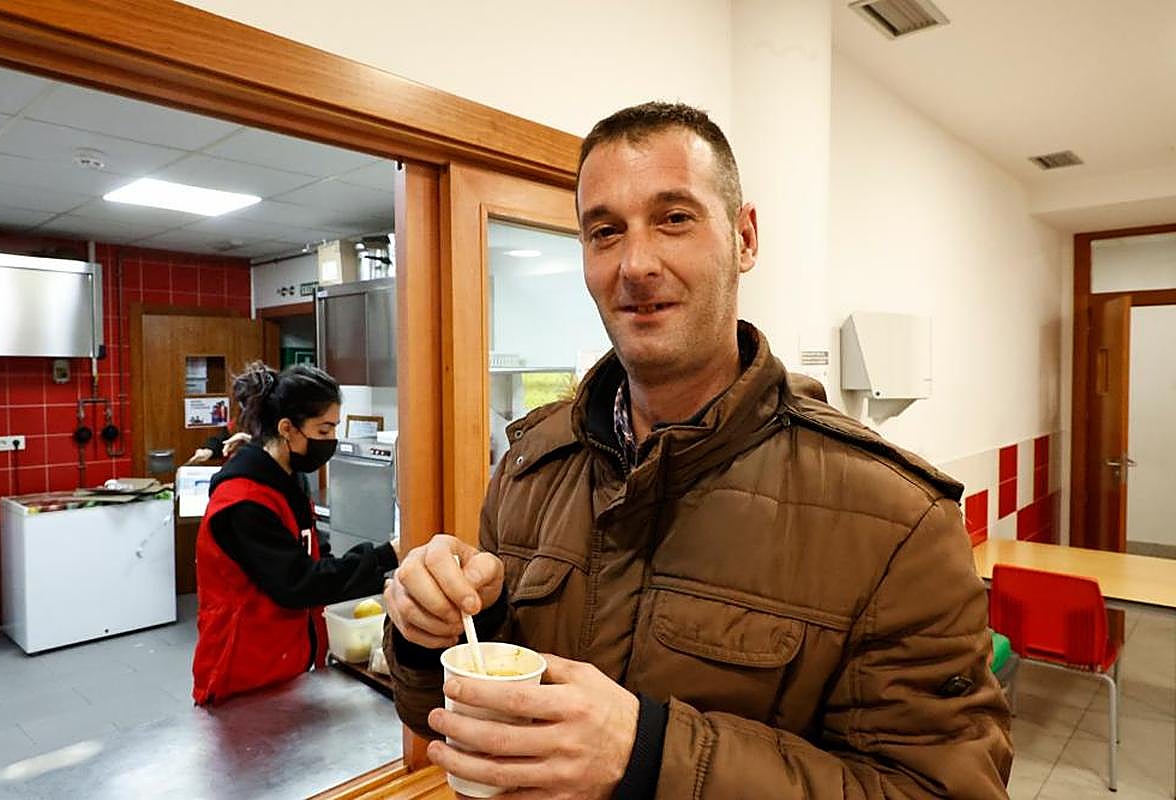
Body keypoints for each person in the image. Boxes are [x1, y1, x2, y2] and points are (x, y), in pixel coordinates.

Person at [383, 102, 1012, 798]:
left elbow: (943, 789)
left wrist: (650, 756)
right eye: (605, 231)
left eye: (674, 218)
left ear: (744, 238)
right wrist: (433, 636)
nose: (635, 264)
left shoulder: (899, 520)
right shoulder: (531, 466)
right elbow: (453, 717)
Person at [192, 362, 398, 705]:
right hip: (242, 672)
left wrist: (382, 580)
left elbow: (319, 560)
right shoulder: (244, 502)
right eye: (323, 430)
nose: (330, 441)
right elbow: (298, 582)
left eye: (334, 429)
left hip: (290, 662)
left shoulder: (289, 479)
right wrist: (385, 556)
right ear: (287, 428)